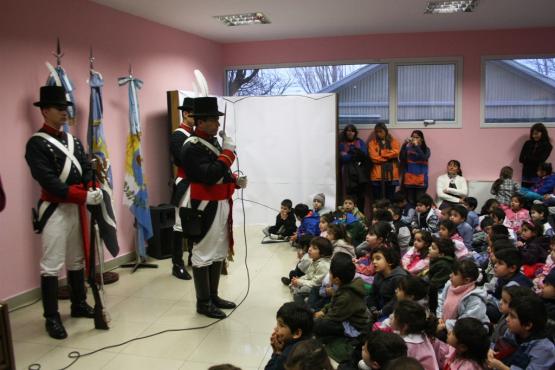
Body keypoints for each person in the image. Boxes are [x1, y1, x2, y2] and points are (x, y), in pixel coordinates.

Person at [25, 86, 100, 339]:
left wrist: (93, 187)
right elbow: (49, 182)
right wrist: (83, 195)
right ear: (45, 111)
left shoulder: (74, 141)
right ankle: (52, 317)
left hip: (76, 207)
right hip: (55, 209)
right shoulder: (36, 144)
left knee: (76, 259)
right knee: (52, 265)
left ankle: (78, 304)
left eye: (66, 108)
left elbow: (86, 168)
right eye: (59, 109)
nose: (64, 113)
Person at [180, 97, 247, 319]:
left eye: (217, 120)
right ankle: (203, 302)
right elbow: (208, 175)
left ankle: (214, 295)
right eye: (213, 120)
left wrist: (234, 180)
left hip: (220, 204)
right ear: (200, 122)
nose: (218, 125)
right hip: (204, 206)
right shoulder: (191, 147)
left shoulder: (211, 141)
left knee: (218, 251)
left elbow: (220, 172)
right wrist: (228, 153)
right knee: (203, 252)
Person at [487, 295, 555, 370]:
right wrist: (490, 351)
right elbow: (497, 345)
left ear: (528, 325)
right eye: (508, 314)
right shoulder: (512, 331)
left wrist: (502, 367)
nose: (507, 319)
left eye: (512, 316)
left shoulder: (545, 349)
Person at [313, 253, 370, 340]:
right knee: (318, 314)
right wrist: (323, 311)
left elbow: (333, 317)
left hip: (354, 326)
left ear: (336, 280)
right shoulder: (345, 285)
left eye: (330, 273)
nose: (329, 275)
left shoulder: (346, 296)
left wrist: (321, 317)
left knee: (320, 325)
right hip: (345, 315)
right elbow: (333, 303)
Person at [169, 97, 195, 280]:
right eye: (195, 114)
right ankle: (177, 263)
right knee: (179, 225)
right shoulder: (178, 135)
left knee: (195, 221)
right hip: (185, 183)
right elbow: (181, 159)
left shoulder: (195, 135)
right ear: (186, 114)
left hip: (197, 184)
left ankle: (193, 257)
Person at [436, 259, 489, 333]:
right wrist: (439, 317)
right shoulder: (450, 285)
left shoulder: (475, 298)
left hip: (462, 332)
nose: (450, 275)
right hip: (444, 324)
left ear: (467, 280)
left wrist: (446, 325)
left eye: (454, 274)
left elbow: (466, 322)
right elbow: (441, 300)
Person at [391, 300, 439, 370]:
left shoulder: (406, 345)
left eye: (394, 316)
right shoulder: (421, 333)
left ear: (405, 326)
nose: (391, 316)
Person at [265, 302, 314, 370]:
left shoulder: (288, 356)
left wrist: (276, 353)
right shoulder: (311, 344)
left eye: (281, 325)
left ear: (296, 333)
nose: (275, 329)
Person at [368, 247, 408, 321]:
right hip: (378, 307)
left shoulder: (399, 277)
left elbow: (396, 301)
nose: (374, 262)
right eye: (373, 259)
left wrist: (381, 312)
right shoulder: (378, 275)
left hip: (392, 311)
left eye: (378, 258)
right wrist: (373, 308)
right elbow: (372, 294)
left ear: (390, 261)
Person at [291, 237, 333, 305]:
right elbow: (308, 275)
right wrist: (299, 280)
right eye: (310, 246)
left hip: (319, 289)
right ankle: (298, 292)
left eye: (314, 248)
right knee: (295, 278)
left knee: (304, 289)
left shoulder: (323, 265)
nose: (310, 249)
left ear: (323, 253)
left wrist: (299, 282)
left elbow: (316, 284)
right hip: (313, 284)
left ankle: (303, 302)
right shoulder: (315, 260)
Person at [339, 124, 369, 211]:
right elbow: (344, 158)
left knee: (361, 196)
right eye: (348, 130)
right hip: (347, 173)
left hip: (360, 173)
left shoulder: (360, 142)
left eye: (352, 131)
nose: (350, 133)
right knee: (350, 195)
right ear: (345, 132)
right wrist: (354, 153)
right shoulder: (342, 144)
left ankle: (361, 215)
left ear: (355, 133)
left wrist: (351, 153)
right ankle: (350, 215)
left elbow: (364, 155)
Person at [368, 123, 400, 201]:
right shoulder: (372, 143)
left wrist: (382, 153)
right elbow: (374, 158)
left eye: (380, 131)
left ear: (385, 131)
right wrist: (388, 157)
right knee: (377, 200)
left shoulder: (394, 141)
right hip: (377, 175)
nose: (379, 134)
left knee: (390, 199)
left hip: (391, 175)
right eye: (377, 132)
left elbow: (396, 153)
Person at [399, 130, 431, 206]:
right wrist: (404, 145)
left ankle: (419, 217)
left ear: (422, 139)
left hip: (421, 181)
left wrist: (417, 146)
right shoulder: (408, 148)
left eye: (417, 137)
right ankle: (411, 217)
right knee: (410, 202)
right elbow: (401, 158)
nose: (415, 139)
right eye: (413, 137)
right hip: (409, 179)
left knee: (419, 201)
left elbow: (424, 157)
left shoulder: (426, 149)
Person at [519, 122, 552, 188]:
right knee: (524, 194)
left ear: (543, 133)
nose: (534, 136)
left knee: (535, 193)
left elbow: (541, 160)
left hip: (537, 174)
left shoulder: (548, 146)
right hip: (526, 173)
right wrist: (534, 159)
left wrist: (527, 158)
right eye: (533, 134)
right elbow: (521, 159)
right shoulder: (528, 143)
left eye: (536, 134)